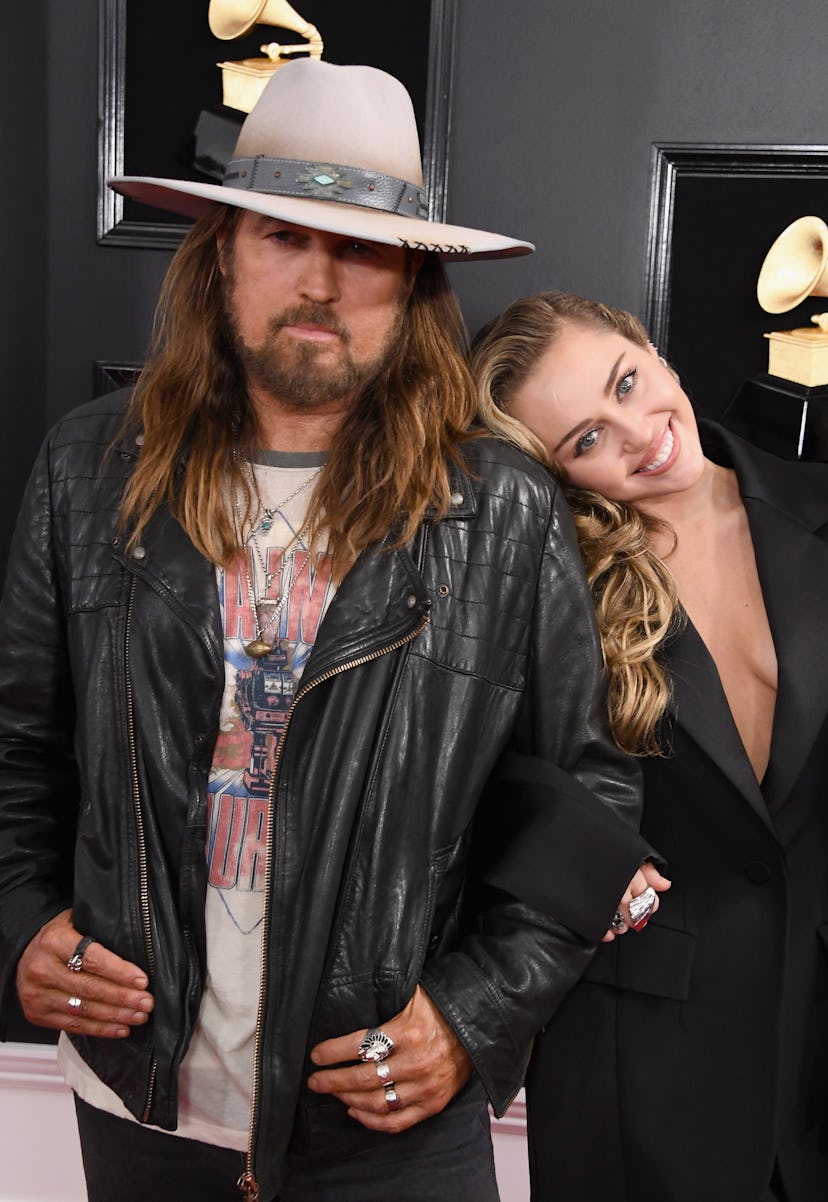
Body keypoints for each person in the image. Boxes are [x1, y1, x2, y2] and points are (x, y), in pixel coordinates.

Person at [0, 66, 654, 1202]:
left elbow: (587, 800)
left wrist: (477, 1010)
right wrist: (18, 923)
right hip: (141, 1102)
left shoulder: (497, 507)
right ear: (219, 254)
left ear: (410, 280)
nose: (318, 280)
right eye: (280, 236)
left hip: (388, 1122)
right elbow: (17, 748)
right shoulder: (84, 469)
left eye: (360, 248)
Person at [471, 289, 828, 1202]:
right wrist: (576, 851)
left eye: (627, 384)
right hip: (641, 1061)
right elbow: (461, 767)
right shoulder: (546, 581)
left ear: (651, 349)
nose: (637, 432)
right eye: (585, 439)